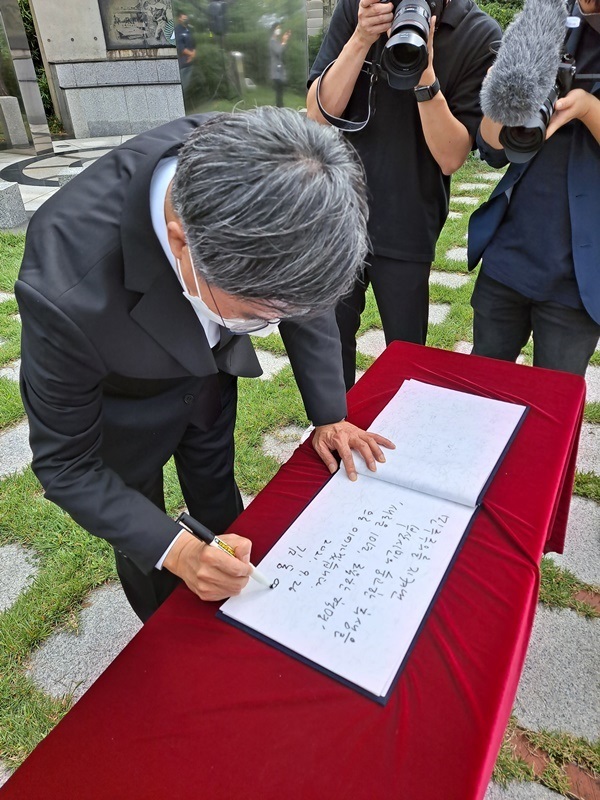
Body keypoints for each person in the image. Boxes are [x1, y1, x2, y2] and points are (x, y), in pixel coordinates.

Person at [16, 108, 394, 623]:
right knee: (144, 534)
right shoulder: (65, 292)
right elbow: (66, 464)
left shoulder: (275, 160)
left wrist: (329, 413)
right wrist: (176, 550)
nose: (273, 323)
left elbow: (301, 294)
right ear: (181, 243)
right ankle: (164, 633)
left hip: (209, 383)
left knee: (218, 492)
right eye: (256, 316)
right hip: (124, 411)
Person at [307, 0, 501, 390]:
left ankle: (403, 437)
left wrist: (425, 76)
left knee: (407, 353)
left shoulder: (478, 33)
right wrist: (361, 37)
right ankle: (333, 430)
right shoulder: (360, 8)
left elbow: (451, 158)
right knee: (330, 341)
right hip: (338, 210)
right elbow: (318, 114)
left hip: (409, 213)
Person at [468, 0, 600, 376]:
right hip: (510, 255)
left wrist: (587, 108)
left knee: (553, 407)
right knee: (483, 388)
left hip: (580, 278)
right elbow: (492, 149)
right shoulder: (547, 18)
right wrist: (499, 95)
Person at [270, 23, 291, 108]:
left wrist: (284, 40)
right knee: (279, 91)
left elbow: (282, 51)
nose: (279, 30)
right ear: (273, 30)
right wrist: (284, 41)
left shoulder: (276, 41)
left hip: (279, 70)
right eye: (277, 28)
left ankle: (280, 107)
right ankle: (279, 108)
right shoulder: (272, 41)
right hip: (276, 70)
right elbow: (278, 51)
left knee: (280, 91)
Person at [174, 11, 196, 92]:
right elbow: (180, 47)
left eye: (186, 18)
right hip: (182, 64)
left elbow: (193, 43)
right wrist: (191, 54)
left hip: (189, 63)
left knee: (186, 87)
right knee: (181, 88)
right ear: (179, 19)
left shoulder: (188, 29)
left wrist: (193, 54)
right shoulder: (177, 30)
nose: (185, 20)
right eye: (184, 18)